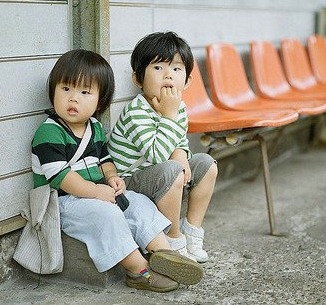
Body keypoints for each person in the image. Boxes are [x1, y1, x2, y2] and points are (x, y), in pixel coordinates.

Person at [31, 49, 203, 293]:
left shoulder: (95, 128)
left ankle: (164, 253)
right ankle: (140, 270)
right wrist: (95, 192)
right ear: (53, 92)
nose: (73, 99)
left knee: (138, 203)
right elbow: (61, 178)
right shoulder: (49, 132)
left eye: (84, 92)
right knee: (107, 216)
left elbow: (105, 160)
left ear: (100, 101)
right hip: (64, 202)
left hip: (96, 193)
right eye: (66, 89)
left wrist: (112, 178)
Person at [108, 32, 218, 263]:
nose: (168, 75)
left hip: (159, 176)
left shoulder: (178, 106)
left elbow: (179, 142)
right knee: (172, 170)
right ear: (138, 79)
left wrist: (181, 155)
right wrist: (168, 115)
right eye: (158, 68)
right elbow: (157, 155)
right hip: (129, 182)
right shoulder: (136, 111)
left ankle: (192, 232)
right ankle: (172, 238)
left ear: (187, 81)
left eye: (176, 69)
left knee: (207, 164)